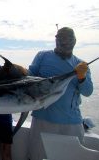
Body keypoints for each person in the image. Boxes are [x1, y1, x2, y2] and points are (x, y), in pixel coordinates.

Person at [27, 27, 93, 160]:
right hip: (42, 119)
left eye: (68, 38)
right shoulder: (42, 56)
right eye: (60, 38)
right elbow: (27, 79)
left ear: (74, 41)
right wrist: (18, 71)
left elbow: (88, 92)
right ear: (56, 40)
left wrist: (82, 77)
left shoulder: (82, 65)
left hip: (71, 123)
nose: (64, 42)